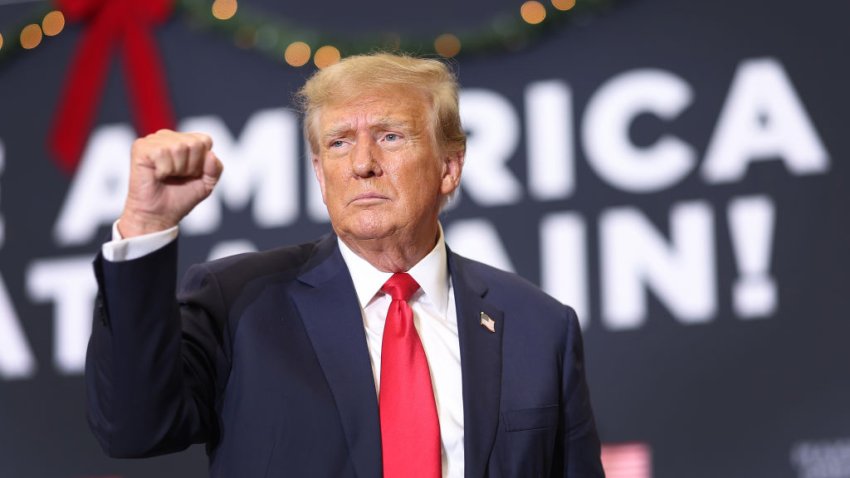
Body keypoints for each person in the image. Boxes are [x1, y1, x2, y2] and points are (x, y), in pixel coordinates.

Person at [86, 53, 604, 477]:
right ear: (318, 171)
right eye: (338, 143)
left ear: (449, 167)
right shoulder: (239, 301)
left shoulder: (539, 326)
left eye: (391, 136)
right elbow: (133, 428)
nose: (362, 164)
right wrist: (145, 226)